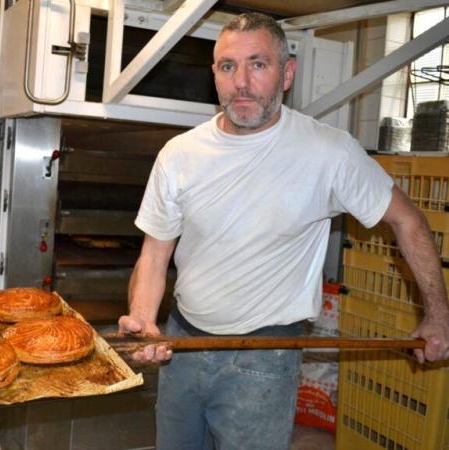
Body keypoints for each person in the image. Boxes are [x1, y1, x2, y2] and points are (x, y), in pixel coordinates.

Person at [118, 12, 449, 450]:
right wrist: (144, 321)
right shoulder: (179, 154)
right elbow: (155, 254)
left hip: (265, 356)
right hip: (183, 342)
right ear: (214, 75)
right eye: (228, 66)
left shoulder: (328, 152)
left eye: (258, 64)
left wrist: (439, 315)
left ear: (287, 73)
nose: (241, 82)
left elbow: (408, 219)